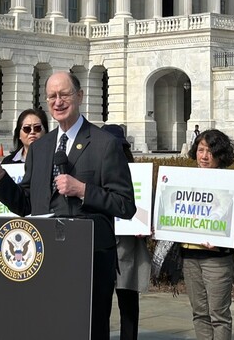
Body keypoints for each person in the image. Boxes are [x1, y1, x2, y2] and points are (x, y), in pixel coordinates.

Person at [0, 71, 136, 340]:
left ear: (79, 96)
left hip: (90, 259)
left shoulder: (104, 144)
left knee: (90, 329)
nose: (58, 101)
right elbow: (26, 203)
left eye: (64, 94)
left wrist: (83, 190)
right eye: (52, 96)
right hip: (46, 257)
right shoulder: (41, 148)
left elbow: (125, 205)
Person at [181, 129, 234, 340]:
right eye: (201, 150)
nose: (204, 156)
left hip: (217, 259)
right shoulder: (184, 181)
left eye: (210, 151)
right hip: (190, 257)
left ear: (220, 155)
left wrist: (223, 237)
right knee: (199, 313)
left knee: (218, 315)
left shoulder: (231, 185)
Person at [102, 124, 151, 340]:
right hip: (102, 241)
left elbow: (145, 209)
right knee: (100, 302)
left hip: (127, 246)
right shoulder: (95, 169)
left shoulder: (137, 175)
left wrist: (145, 225)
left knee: (128, 301)